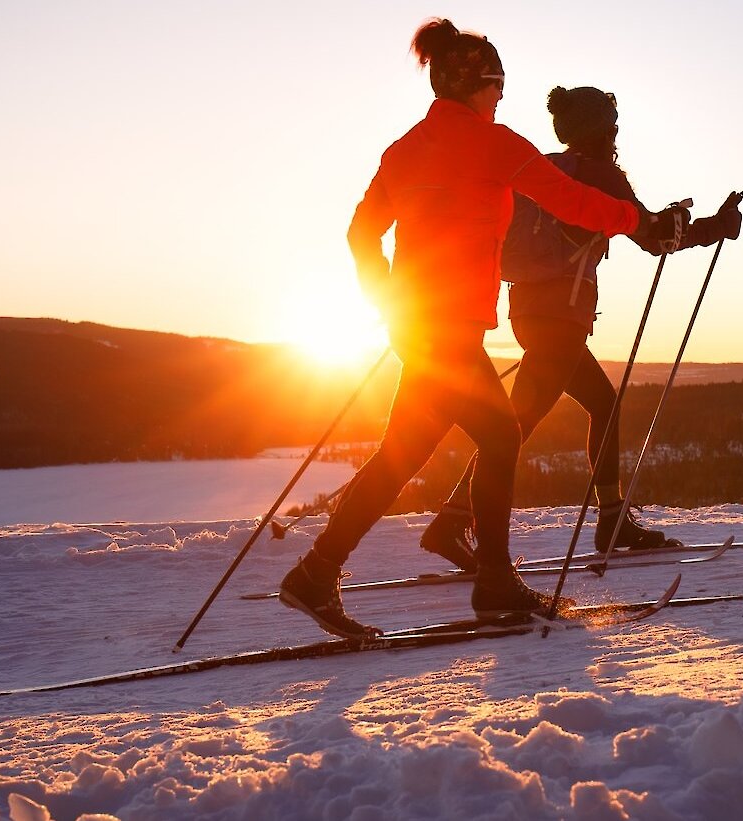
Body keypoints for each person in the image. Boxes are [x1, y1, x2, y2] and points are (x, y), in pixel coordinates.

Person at [279, 20, 691, 637]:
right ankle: (494, 583)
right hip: (445, 331)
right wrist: (642, 223)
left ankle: (314, 575)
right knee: (499, 437)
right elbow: (570, 200)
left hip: (418, 327)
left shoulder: (404, 149)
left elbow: (361, 234)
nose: (501, 98)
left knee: (400, 457)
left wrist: (388, 300)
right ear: (476, 85)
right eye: (497, 87)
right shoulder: (490, 143)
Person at [421, 85, 742, 569]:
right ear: (605, 128)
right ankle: (454, 520)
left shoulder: (547, 167)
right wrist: (716, 226)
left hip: (527, 313)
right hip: (561, 319)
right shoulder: (603, 176)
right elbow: (654, 237)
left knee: (596, 405)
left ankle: (609, 517)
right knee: (513, 427)